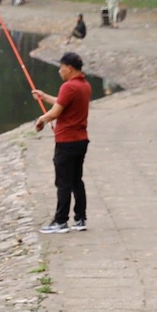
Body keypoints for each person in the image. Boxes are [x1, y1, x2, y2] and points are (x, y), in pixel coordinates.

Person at [35, 51, 92, 233]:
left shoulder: (68, 87)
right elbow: (63, 103)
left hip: (66, 142)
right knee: (76, 180)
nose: (59, 72)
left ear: (69, 68)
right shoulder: (84, 86)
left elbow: (56, 112)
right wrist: (44, 97)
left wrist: (42, 119)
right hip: (81, 140)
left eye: (61, 68)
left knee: (63, 182)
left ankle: (60, 221)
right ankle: (80, 218)